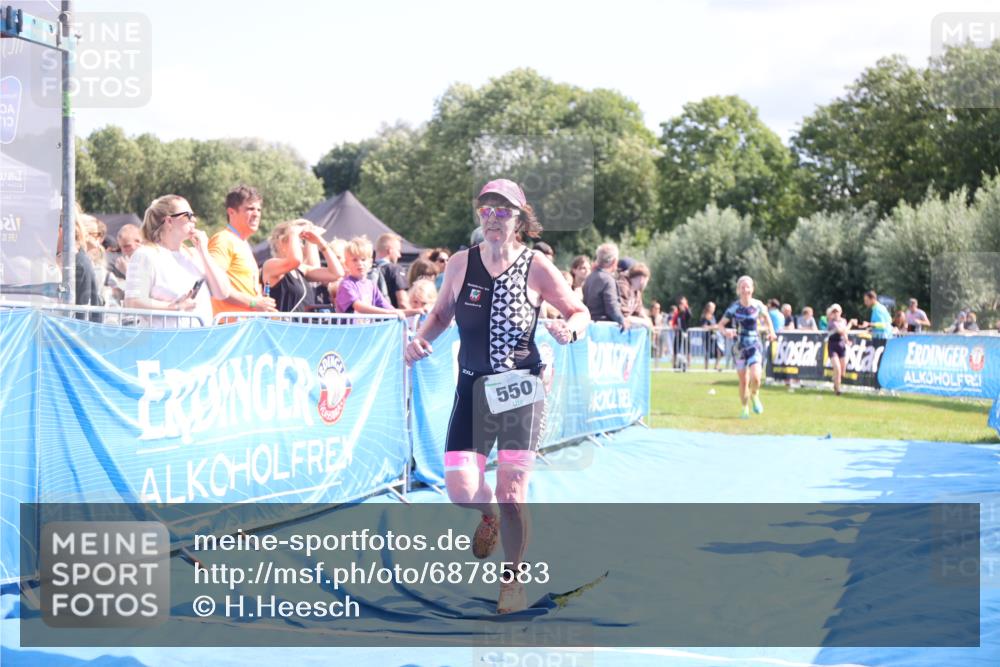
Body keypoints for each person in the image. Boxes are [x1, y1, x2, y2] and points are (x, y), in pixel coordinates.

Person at [404, 179, 590, 614]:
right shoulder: (459, 264)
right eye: (486, 209)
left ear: (520, 219)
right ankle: (488, 515)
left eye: (503, 211)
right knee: (460, 488)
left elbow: (577, 311)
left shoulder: (536, 267)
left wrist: (571, 329)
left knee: (512, 492)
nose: (493, 217)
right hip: (472, 387)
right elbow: (440, 313)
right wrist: (418, 339)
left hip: (519, 390)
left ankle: (513, 580)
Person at [124, 195, 230, 327]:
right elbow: (132, 302)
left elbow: (223, 293)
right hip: (163, 342)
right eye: (188, 215)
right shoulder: (146, 254)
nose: (194, 220)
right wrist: (174, 307)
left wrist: (204, 252)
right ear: (169, 221)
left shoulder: (195, 254)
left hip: (200, 341)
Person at [209, 185, 276, 318]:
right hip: (229, 328)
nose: (256, 214)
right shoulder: (223, 240)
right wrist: (254, 303)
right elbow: (214, 284)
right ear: (231, 212)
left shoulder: (242, 242)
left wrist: (262, 305)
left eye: (258, 209)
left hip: (245, 327)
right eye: (250, 209)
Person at [716, 276, 777, 419]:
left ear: (752, 289)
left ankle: (755, 395)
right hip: (739, 346)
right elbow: (720, 325)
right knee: (743, 380)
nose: (745, 290)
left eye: (747, 287)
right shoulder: (734, 307)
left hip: (754, 343)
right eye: (742, 287)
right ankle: (744, 408)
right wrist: (726, 331)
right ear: (738, 290)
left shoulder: (758, 305)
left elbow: (767, 317)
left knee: (756, 377)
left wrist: (772, 332)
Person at [261, 220, 344, 313]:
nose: (301, 245)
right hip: (282, 326)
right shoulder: (270, 265)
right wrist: (293, 232)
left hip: (302, 326)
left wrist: (321, 243)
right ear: (281, 242)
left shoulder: (301, 269)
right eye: (298, 241)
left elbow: (337, 273)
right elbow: (295, 260)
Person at [336, 236, 424, 317]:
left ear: (370, 262)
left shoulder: (371, 285)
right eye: (354, 260)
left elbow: (388, 308)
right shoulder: (346, 285)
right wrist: (390, 312)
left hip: (366, 331)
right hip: (348, 333)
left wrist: (415, 311)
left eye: (363, 259)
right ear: (346, 264)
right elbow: (358, 306)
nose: (360, 263)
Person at [583, 242, 628, 331]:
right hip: (604, 329)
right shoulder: (607, 280)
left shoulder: (589, 277)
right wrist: (622, 320)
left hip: (589, 326)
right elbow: (611, 307)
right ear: (614, 261)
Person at [825, 304, 856, 396]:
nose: (835, 314)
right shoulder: (831, 322)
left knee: (842, 372)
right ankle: (837, 390)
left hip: (841, 346)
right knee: (837, 368)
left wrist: (847, 341)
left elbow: (844, 333)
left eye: (837, 311)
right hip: (833, 345)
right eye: (833, 312)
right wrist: (851, 323)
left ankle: (835, 380)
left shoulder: (843, 321)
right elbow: (841, 331)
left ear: (840, 312)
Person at [373, 232, 410, 309]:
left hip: (370, 317)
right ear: (390, 251)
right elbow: (402, 302)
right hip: (390, 318)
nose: (399, 255)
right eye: (398, 251)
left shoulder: (367, 269)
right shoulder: (395, 269)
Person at [700, 301, 723, 371]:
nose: (714, 309)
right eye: (713, 308)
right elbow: (704, 327)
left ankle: (716, 366)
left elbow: (715, 325)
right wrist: (713, 327)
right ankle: (706, 368)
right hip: (707, 337)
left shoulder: (713, 317)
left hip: (714, 337)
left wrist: (715, 327)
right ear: (709, 308)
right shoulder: (704, 316)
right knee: (707, 353)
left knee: (719, 351)